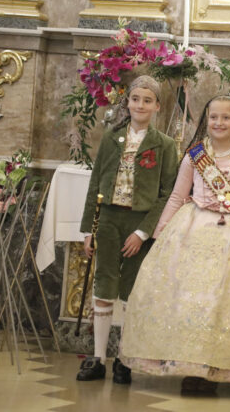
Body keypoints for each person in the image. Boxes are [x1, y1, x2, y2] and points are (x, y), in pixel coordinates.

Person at [120, 95, 230, 393]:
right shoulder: (195, 155)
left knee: (224, 301)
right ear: (207, 119)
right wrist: (159, 232)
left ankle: (216, 367)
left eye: (225, 118)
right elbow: (177, 196)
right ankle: (191, 367)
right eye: (213, 117)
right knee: (190, 299)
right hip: (192, 228)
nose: (219, 123)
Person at [76, 75, 178, 384]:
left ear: (157, 106)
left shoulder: (164, 144)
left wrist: (143, 233)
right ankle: (98, 358)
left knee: (131, 290)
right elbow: (96, 182)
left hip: (139, 224)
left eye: (148, 100)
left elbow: (166, 193)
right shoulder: (111, 137)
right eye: (136, 99)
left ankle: (124, 358)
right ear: (127, 102)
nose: (141, 105)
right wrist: (88, 229)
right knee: (104, 285)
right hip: (107, 218)